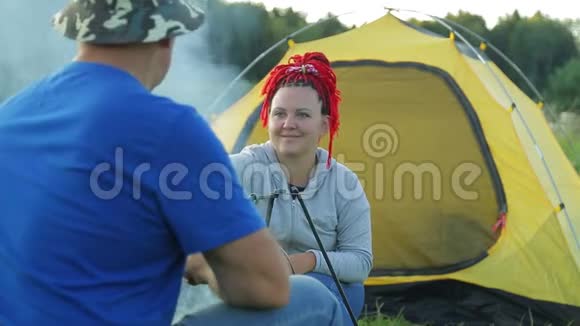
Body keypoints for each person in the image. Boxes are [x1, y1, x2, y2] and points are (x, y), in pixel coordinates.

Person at [0, 1, 347, 325]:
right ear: (167, 38)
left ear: (81, 31)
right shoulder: (166, 128)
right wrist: (200, 263)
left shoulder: (10, 116)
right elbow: (267, 287)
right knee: (316, 297)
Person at [229, 52, 374, 320]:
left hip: (324, 288)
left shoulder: (344, 183)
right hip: (256, 288)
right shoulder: (241, 168)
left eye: (302, 115)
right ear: (267, 118)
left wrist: (305, 262)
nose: (288, 124)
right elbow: (194, 180)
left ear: (324, 125)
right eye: (279, 113)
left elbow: (361, 262)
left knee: (326, 292)